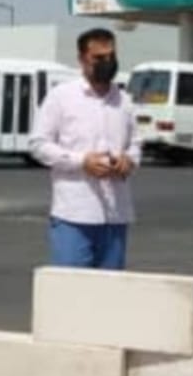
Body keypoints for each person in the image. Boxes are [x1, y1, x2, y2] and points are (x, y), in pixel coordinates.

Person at [29, 27, 141, 270]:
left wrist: (129, 160)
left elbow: (136, 143)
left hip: (116, 215)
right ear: (81, 59)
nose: (107, 63)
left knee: (110, 287)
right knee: (72, 286)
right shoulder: (61, 97)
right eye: (99, 58)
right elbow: (39, 144)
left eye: (111, 56)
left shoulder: (124, 101)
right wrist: (82, 161)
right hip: (75, 213)